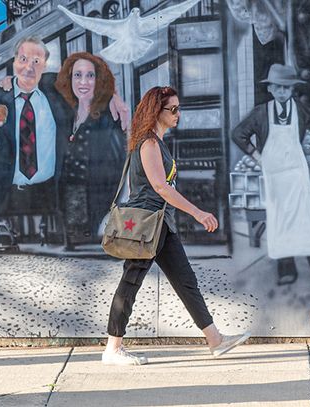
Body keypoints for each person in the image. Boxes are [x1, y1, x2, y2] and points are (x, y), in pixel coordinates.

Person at [102, 86, 250, 365]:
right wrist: (197, 212)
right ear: (157, 111)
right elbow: (160, 186)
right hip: (145, 227)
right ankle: (112, 349)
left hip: (161, 225)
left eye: (178, 108)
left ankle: (215, 340)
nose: (178, 114)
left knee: (186, 282)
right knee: (130, 282)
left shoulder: (157, 142)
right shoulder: (148, 143)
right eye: (173, 109)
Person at [0, 36, 129, 241]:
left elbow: (89, 82)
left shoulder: (54, 90)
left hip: (51, 192)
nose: (29, 67)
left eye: (36, 61)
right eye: (23, 59)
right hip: (8, 194)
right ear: (14, 61)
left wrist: (114, 95)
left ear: (45, 66)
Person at [231, 64, 310, 288]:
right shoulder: (261, 112)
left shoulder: (300, 110)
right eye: (278, 87)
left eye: (286, 88)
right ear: (270, 89)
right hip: (275, 176)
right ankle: (286, 270)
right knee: (280, 222)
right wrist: (256, 155)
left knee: (305, 219)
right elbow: (238, 134)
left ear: (292, 90)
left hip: (297, 174)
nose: (282, 92)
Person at [54, 52, 125, 249]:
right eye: (77, 75)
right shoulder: (66, 111)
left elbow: (118, 159)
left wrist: (113, 96)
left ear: (99, 80)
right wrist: (10, 79)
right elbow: (40, 80)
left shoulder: (108, 115)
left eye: (90, 75)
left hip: (97, 193)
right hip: (69, 192)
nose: (83, 82)